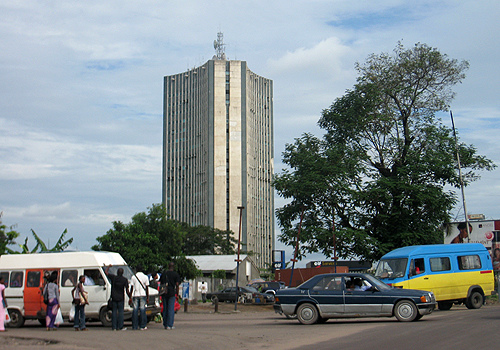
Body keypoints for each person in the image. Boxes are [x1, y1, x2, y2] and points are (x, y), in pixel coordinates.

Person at [104, 265, 131, 331]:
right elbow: (127, 290)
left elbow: (106, 272)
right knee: (121, 313)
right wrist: (130, 297)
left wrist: (108, 267)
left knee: (114, 312)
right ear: (123, 273)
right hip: (121, 298)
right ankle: (120, 326)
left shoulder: (114, 278)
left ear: (117, 272)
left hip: (114, 297)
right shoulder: (124, 279)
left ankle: (114, 327)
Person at [160, 262, 181, 330]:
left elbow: (161, 283)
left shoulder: (164, 273)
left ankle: (165, 324)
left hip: (164, 293)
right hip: (172, 293)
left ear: (168, 266)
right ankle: (170, 324)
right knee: (171, 309)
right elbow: (177, 284)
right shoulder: (175, 274)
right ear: (173, 267)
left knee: (165, 309)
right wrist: (177, 294)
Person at [130, 265, 149, 331]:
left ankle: (134, 326)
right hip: (143, 294)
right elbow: (147, 288)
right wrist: (147, 297)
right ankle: (142, 326)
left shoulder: (133, 277)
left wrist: (130, 296)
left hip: (136, 294)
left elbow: (132, 287)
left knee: (135, 310)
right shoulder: (145, 277)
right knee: (142, 310)